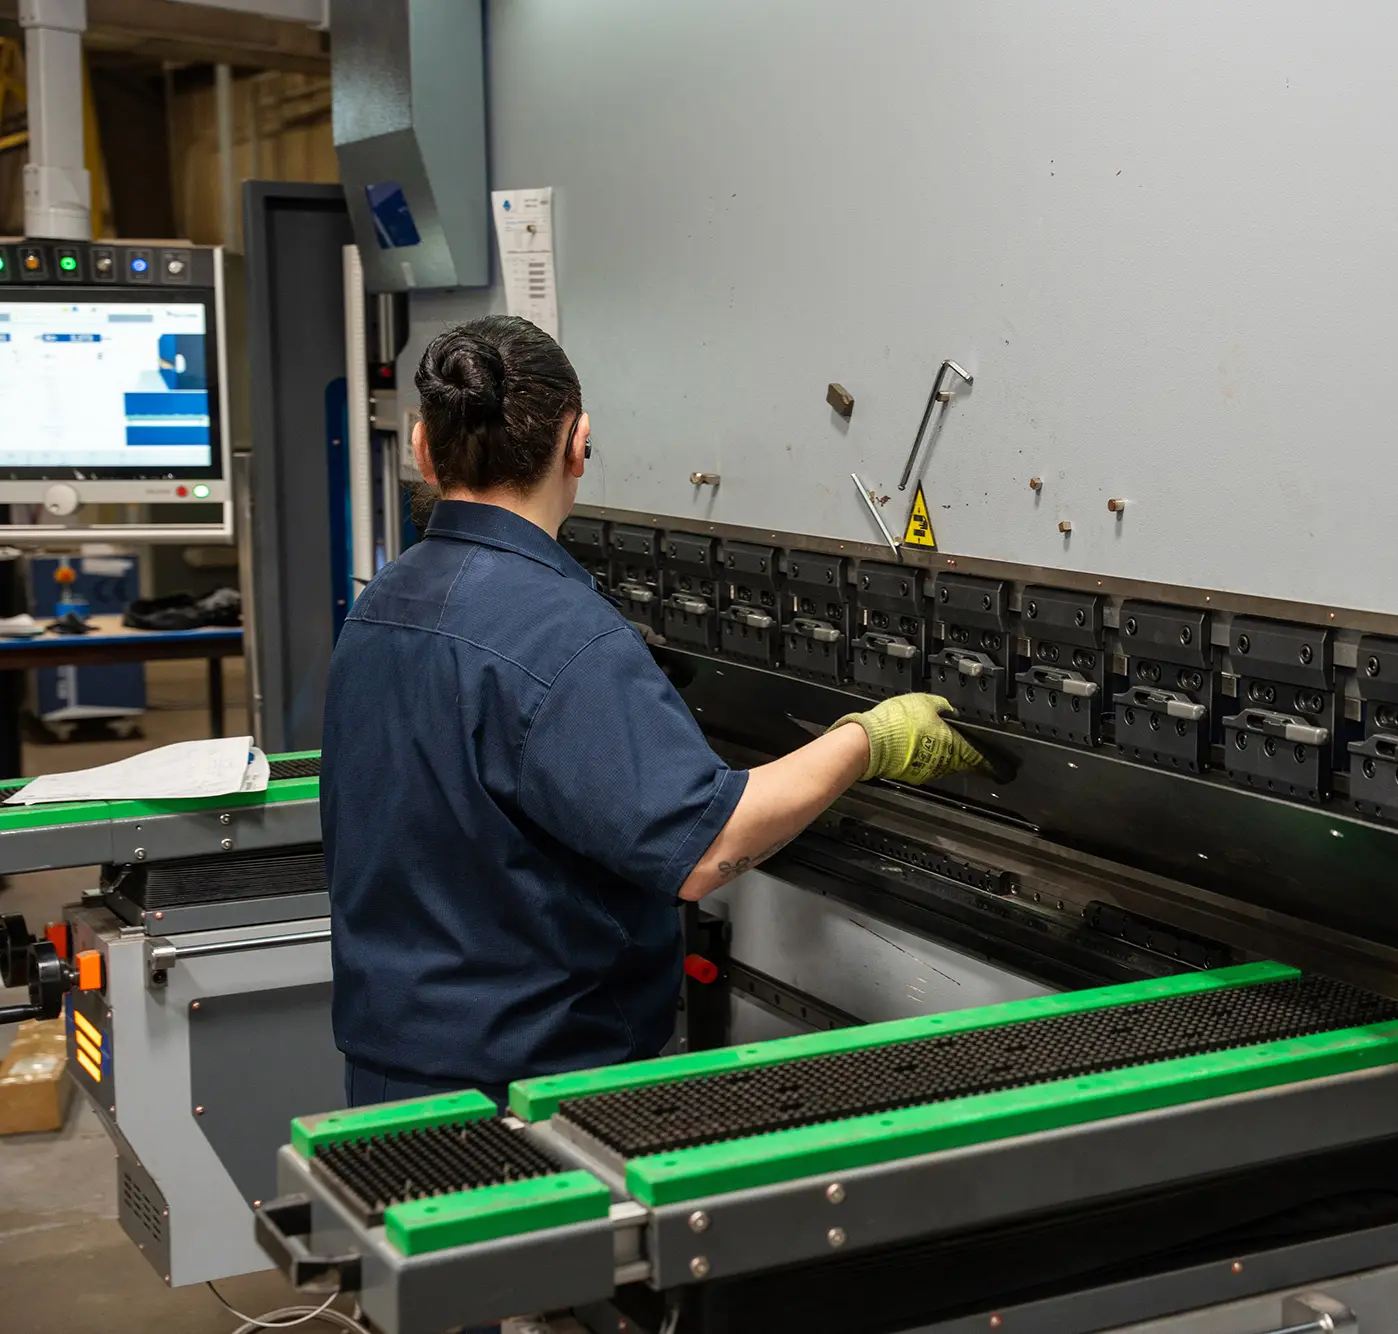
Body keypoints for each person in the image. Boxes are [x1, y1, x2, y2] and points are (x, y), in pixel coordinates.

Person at [322, 315, 985, 1108]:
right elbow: (707, 849)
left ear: (425, 450)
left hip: (389, 1078)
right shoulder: (561, 634)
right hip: (534, 1101)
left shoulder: (382, 601)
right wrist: (870, 741)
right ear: (580, 444)